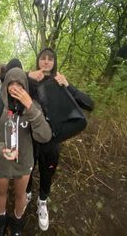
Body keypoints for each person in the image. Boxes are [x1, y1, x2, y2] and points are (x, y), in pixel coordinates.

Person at [26, 48, 94, 231]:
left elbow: (89, 104)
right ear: (38, 61)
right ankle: (27, 193)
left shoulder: (59, 82)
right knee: (28, 168)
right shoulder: (29, 81)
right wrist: (27, 75)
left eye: (50, 59)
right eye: (43, 58)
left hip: (52, 139)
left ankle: (42, 201)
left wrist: (68, 85)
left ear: (54, 62)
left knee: (48, 171)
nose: (46, 62)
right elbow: (6, 79)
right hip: (31, 137)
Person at [0, 67, 52, 236]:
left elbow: (45, 136)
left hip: (24, 161)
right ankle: (1, 218)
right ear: (5, 84)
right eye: (11, 83)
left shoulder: (33, 106)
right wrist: (0, 149)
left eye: (19, 84)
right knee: (1, 191)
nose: (14, 87)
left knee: (21, 194)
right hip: (2, 161)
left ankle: (18, 220)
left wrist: (30, 107)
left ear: (26, 87)